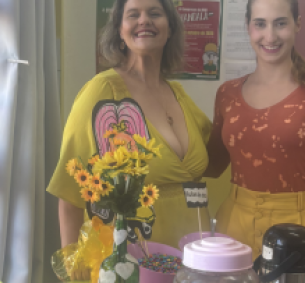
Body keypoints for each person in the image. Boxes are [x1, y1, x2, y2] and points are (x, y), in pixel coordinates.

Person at [204, 0, 305, 283]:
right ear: (248, 27)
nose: (270, 36)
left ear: (297, 24)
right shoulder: (227, 94)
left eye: (280, 23)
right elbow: (212, 163)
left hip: (300, 228)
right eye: (260, 24)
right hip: (235, 226)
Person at [48, 0, 211, 255]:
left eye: (154, 13)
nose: (144, 20)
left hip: (191, 259)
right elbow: (69, 193)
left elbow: (219, 151)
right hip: (128, 264)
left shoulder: (178, 94)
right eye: (133, 14)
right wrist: (71, 264)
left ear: (169, 30)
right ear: (120, 31)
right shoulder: (102, 92)